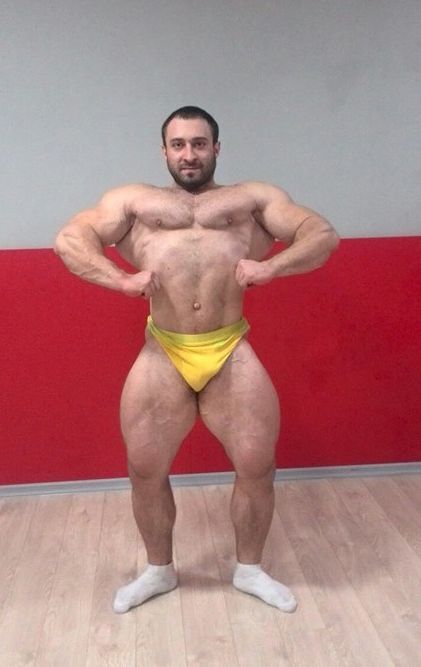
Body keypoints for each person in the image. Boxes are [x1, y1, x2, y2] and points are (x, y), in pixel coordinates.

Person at [55, 105, 339, 614]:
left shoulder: (252, 198)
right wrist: (121, 280)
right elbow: (70, 240)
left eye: (199, 143)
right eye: (179, 144)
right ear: (164, 151)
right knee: (144, 468)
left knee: (257, 465)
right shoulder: (133, 201)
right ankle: (158, 570)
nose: (189, 154)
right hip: (163, 349)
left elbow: (322, 234)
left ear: (216, 148)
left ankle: (250, 570)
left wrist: (272, 267)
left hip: (229, 347)